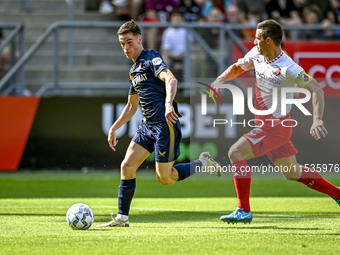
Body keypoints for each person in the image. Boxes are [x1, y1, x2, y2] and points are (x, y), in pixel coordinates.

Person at [210, 19, 340, 224]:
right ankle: (338, 194)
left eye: (257, 38)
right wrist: (220, 80)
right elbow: (238, 67)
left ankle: (243, 210)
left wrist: (317, 120)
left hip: (275, 126)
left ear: (268, 41)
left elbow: (316, 89)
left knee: (235, 153)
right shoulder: (257, 54)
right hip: (268, 125)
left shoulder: (288, 67)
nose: (254, 42)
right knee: (292, 173)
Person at [96, 20, 222, 228]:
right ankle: (122, 218)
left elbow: (171, 79)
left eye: (129, 42)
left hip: (165, 124)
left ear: (140, 39)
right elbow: (131, 106)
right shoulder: (134, 70)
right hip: (147, 127)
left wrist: (168, 104)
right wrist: (114, 127)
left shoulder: (151, 57)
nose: (126, 48)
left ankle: (203, 163)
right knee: (127, 166)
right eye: (122, 44)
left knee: (165, 178)